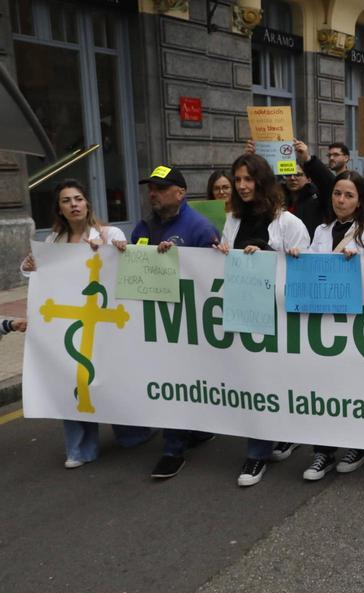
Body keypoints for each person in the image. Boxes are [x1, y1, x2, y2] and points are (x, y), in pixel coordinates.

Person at [20, 180, 141, 469]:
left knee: (112, 378)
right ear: (59, 209)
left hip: (106, 320)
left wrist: (118, 249)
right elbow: (37, 274)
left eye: (78, 198)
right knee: (72, 379)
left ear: (87, 203)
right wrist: (29, 266)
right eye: (66, 200)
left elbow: (127, 266)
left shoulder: (109, 233)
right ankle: (80, 449)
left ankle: (133, 431)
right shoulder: (53, 242)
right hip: (70, 319)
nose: (73, 204)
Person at [120, 166, 223, 478]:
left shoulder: (200, 228)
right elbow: (134, 268)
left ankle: (172, 449)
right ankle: (197, 430)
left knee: (179, 379)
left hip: (187, 324)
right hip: (156, 321)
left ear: (180, 193)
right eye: (151, 188)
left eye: (161, 188)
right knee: (171, 380)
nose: (153, 193)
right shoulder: (143, 227)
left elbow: (211, 278)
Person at [288, 170, 364, 481]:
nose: (341, 200)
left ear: (360, 201)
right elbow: (312, 269)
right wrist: (298, 255)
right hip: (323, 323)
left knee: (354, 386)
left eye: (349, 195)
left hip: (356, 325)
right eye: (337, 194)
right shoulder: (321, 230)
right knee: (323, 386)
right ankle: (323, 451)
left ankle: (359, 445)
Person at [219, 153, 310, 487]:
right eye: (237, 180)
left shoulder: (288, 224)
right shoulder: (232, 220)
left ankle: (278, 437)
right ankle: (258, 450)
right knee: (253, 381)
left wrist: (269, 258)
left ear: (263, 181)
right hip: (247, 312)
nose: (242, 186)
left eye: (248, 179)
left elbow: (304, 271)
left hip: (281, 316)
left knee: (278, 380)